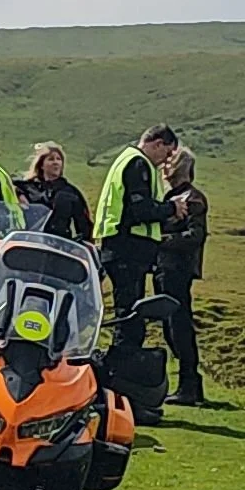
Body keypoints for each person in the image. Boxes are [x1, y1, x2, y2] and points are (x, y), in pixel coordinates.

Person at [94, 124, 184, 346]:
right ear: (157, 144)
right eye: (167, 152)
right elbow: (140, 210)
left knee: (129, 309)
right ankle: (123, 363)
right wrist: (171, 209)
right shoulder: (137, 164)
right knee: (129, 312)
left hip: (120, 245)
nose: (166, 160)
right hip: (128, 248)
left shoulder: (128, 160)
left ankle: (123, 359)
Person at [157, 146, 210, 405]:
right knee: (171, 326)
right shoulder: (174, 196)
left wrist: (160, 241)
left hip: (176, 269)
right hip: (166, 267)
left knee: (178, 325)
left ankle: (189, 385)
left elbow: (195, 235)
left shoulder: (192, 199)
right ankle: (190, 385)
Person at [16, 141, 93, 243]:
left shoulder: (70, 192)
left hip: (59, 245)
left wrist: (79, 245)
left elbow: (84, 225)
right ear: (41, 165)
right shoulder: (28, 188)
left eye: (59, 159)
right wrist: (19, 195)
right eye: (51, 159)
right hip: (31, 243)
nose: (56, 162)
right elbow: (9, 188)